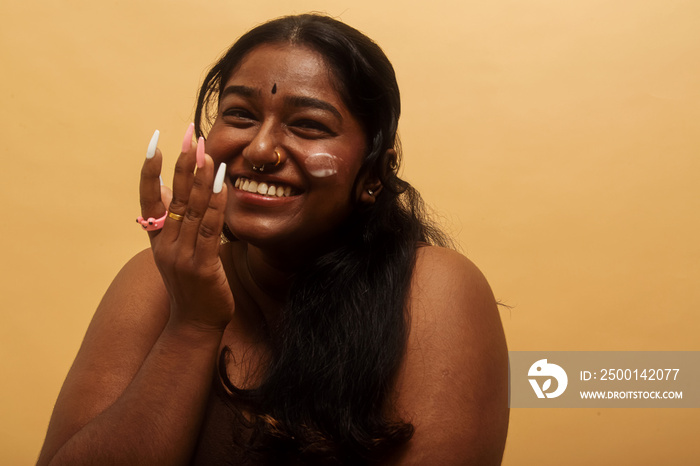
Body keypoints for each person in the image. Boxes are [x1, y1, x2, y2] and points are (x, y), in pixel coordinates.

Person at [37, 14, 509, 465]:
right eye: (239, 115)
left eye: (308, 125)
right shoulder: (159, 282)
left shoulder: (433, 290)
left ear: (372, 175)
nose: (260, 150)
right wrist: (192, 325)